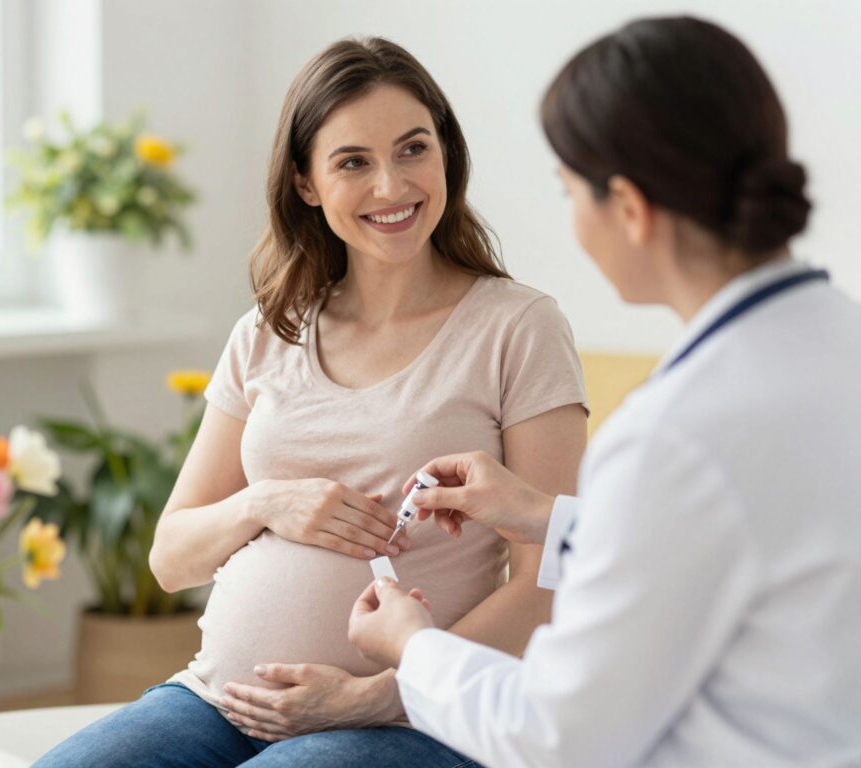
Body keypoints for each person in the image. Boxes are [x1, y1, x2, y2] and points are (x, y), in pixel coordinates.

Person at [34, 37, 588, 767]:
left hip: (410, 719)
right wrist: (266, 503)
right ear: (306, 183)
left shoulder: (518, 328)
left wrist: (387, 691)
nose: (391, 186)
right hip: (216, 702)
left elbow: (552, 586)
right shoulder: (268, 331)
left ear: (445, 157)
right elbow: (172, 559)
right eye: (353, 161)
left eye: (413, 149)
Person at [348, 16, 861, 768]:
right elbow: (742, 539)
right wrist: (546, 518)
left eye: (568, 191)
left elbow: (558, 739)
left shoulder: (672, 435)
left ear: (627, 206)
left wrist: (413, 648)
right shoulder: (834, 346)